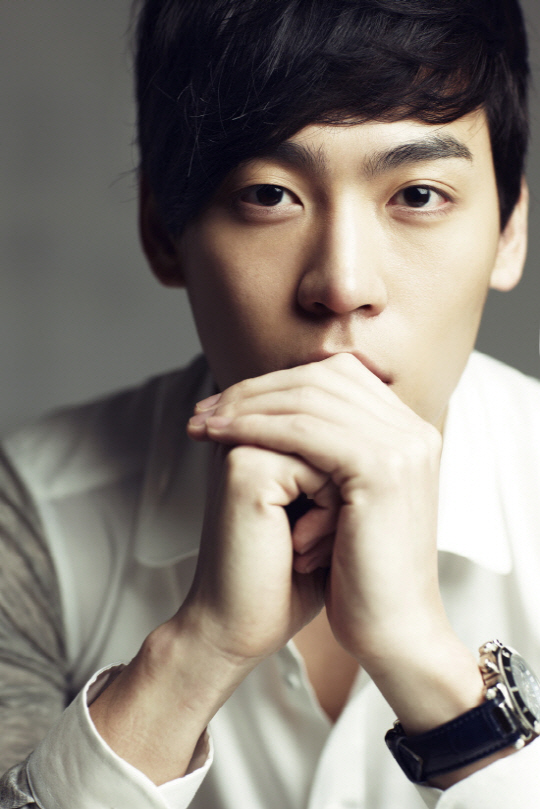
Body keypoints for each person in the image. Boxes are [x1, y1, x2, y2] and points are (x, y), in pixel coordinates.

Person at [1, 0, 539, 806]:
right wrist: (196, 651)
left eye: (420, 194)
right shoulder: (33, 517)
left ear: (509, 229)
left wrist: (428, 669)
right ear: (163, 231)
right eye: (268, 194)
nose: (344, 284)